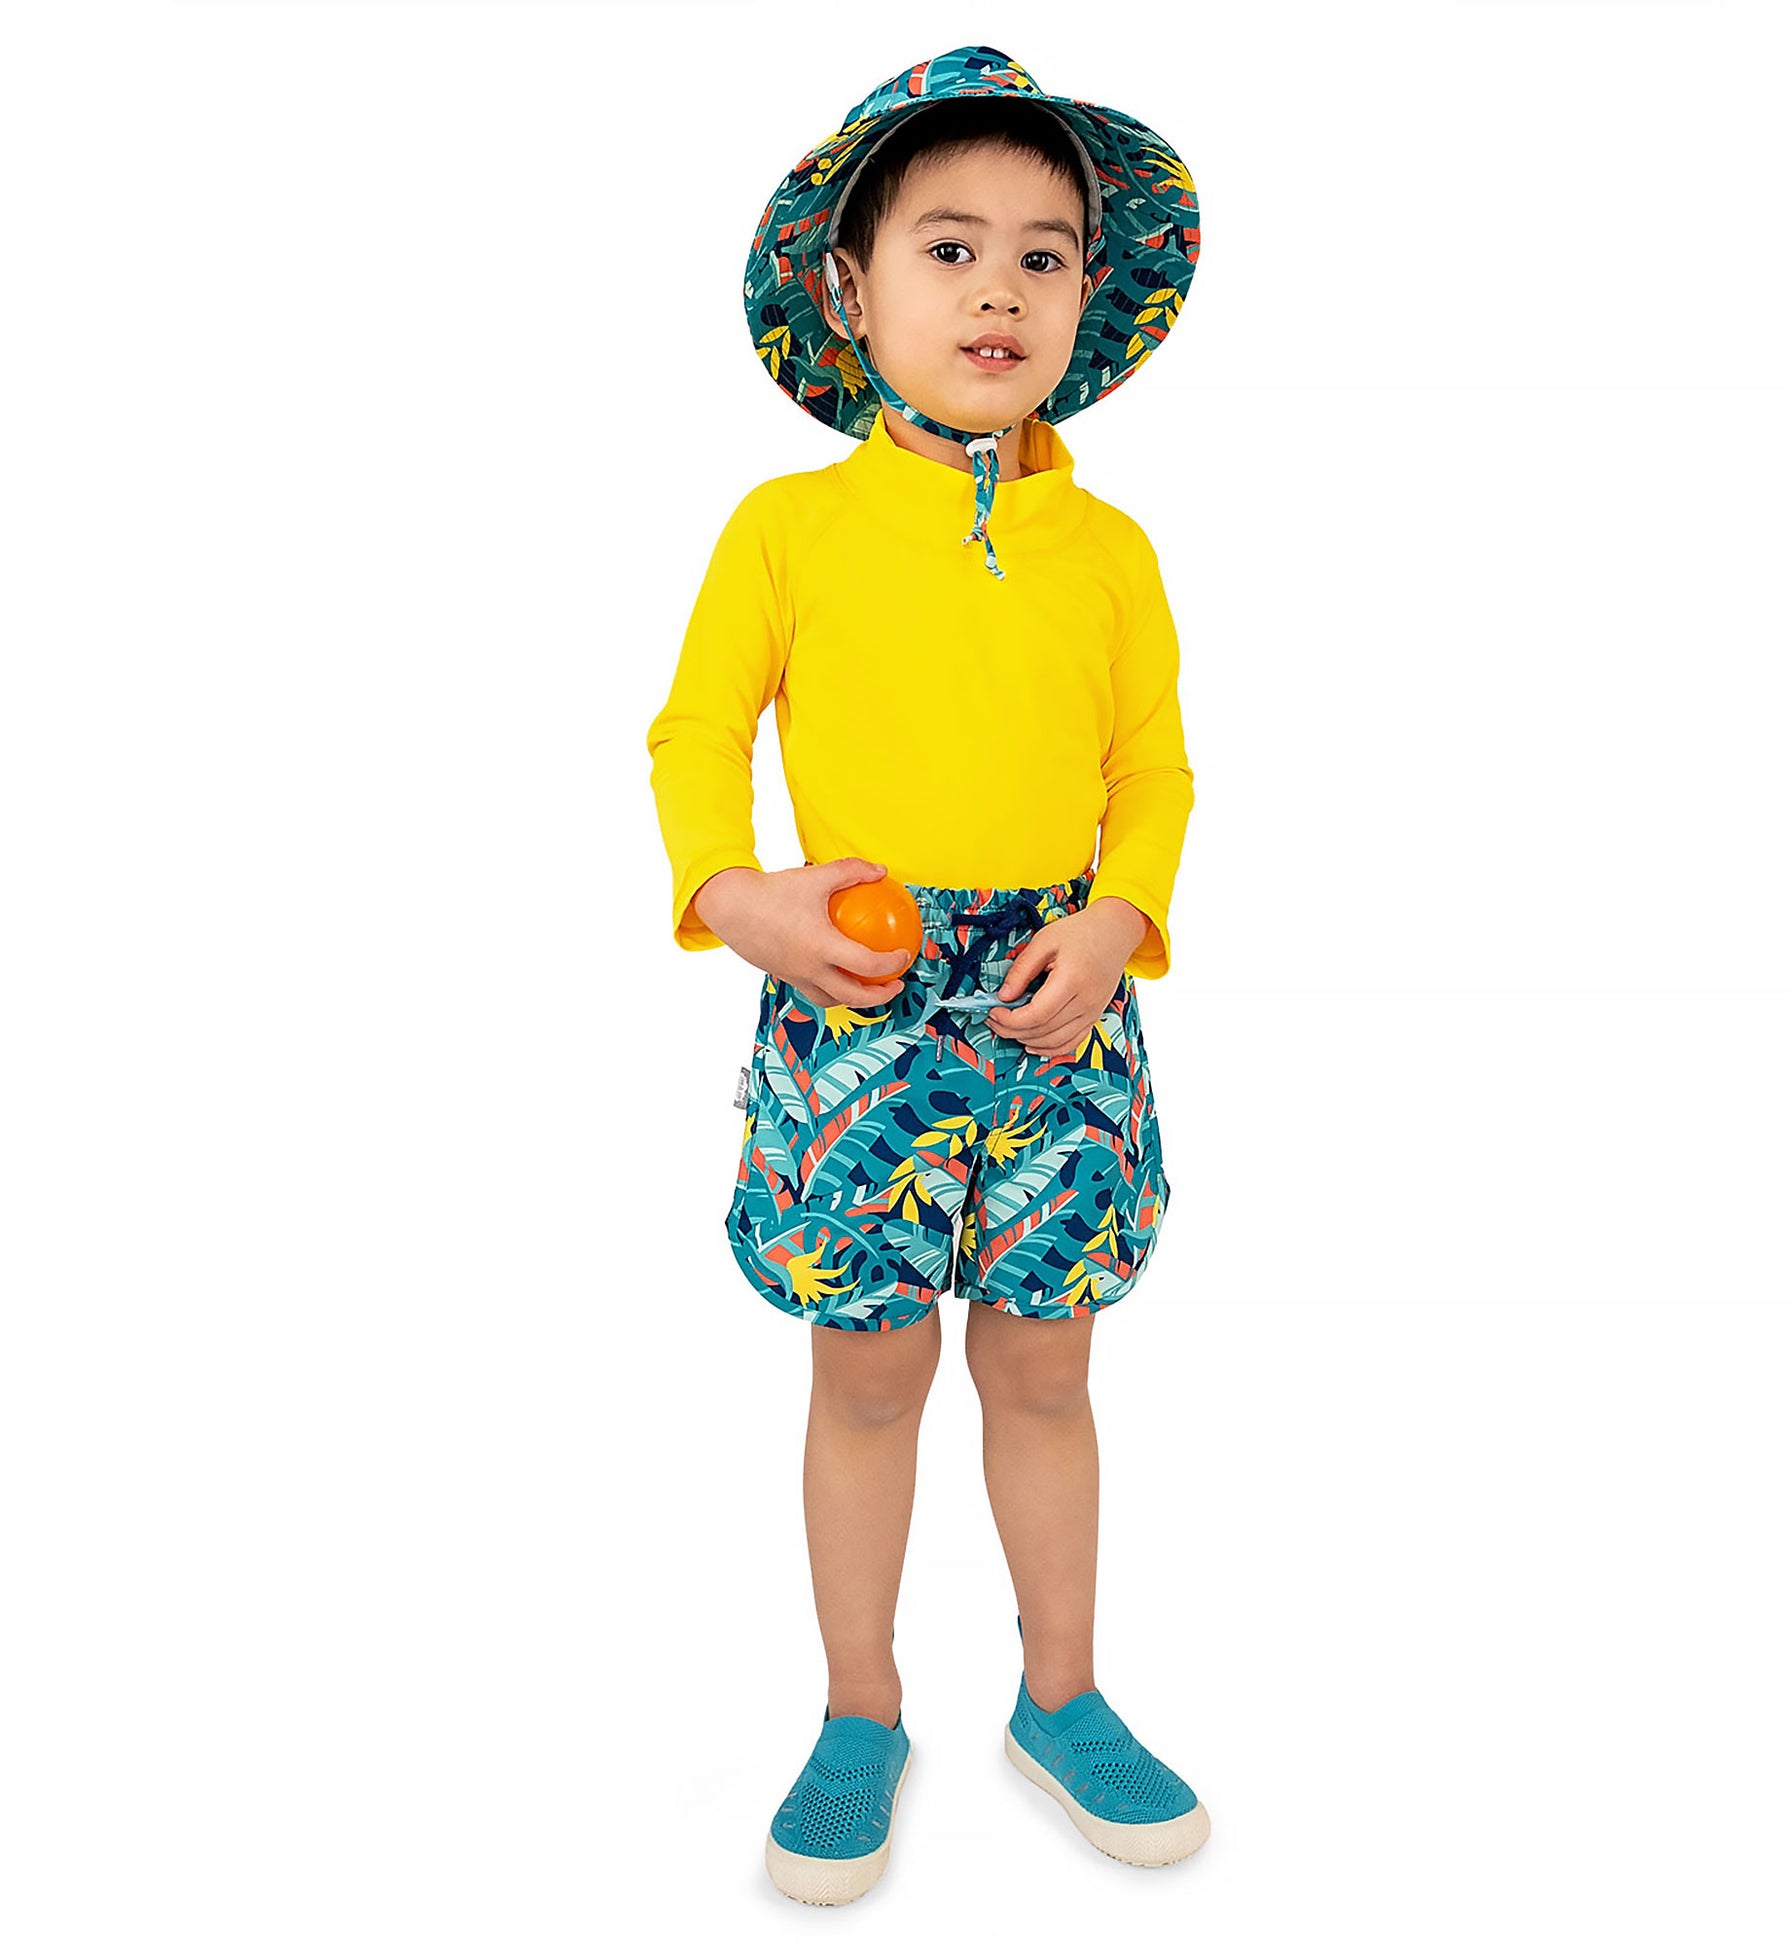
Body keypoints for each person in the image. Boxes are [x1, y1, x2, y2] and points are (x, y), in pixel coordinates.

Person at [645, 44, 1207, 1905]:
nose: (997, 291)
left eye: (1043, 257)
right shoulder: (787, 530)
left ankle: (1061, 1695)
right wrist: (736, 894)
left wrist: (1121, 916)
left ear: (1086, 299)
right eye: (947, 248)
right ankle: (859, 1709)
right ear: (850, 289)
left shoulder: (1108, 553)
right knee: (870, 1372)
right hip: (853, 1009)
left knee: (1043, 1365)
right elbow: (693, 732)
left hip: (1061, 996)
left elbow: (1152, 770)